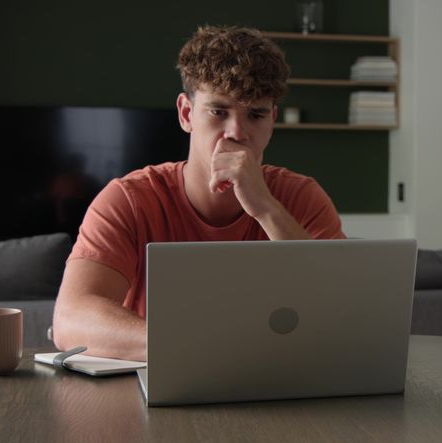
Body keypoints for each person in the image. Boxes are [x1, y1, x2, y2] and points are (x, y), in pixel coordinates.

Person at [52, 26, 346, 361]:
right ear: (187, 113)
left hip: (278, 384)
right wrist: (198, 347)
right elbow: (70, 320)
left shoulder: (301, 197)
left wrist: (265, 207)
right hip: (164, 384)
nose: (237, 132)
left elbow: (340, 310)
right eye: (218, 111)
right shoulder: (128, 200)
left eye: (256, 114)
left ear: (272, 120)